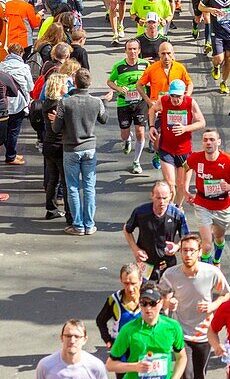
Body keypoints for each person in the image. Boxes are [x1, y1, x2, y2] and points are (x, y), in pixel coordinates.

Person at [159, 235, 230, 379]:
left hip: (204, 334)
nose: (188, 254)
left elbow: (225, 294)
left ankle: (200, 372)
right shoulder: (171, 274)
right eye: (184, 250)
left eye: (192, 250)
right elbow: (161, 295)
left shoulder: (211, 273)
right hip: (181, 334)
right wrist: (167, 302)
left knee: (199, 376)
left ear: (200, 252)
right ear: (179, 251)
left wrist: (212, 305)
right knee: (187, 377)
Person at [51, 67, 107, 236]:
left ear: (74, 82)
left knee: (73, 187)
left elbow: (56, 128)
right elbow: (103, 119)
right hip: (89, 148)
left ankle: (78, 225)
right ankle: (89, 224)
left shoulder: (65, 103)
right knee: (90, 186)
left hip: (71, 149)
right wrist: (106, 103)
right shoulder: (96, 102)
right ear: (89, 83)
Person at [184, 128, 230, 265]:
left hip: (222, 206)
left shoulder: (229, 161)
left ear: (218, 142)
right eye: (205, 140)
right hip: (202, 204)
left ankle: (217, 260)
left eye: (212, 140)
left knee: (219, 238)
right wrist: (185, 189)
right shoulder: (195, 158)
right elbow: (185, 168)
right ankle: (206, 271)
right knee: (206, 245)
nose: (208, 143)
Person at [149, 80, 206, 205]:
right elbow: (153, 110)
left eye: (178, 96)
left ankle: (178, 207)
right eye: (173, 96)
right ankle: (168, 209)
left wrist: (185, 128)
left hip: (184, 151)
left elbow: (202, 122)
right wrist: (152, 126)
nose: (175, 99)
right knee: (170, 184)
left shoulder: (190, 103)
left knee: (181, 186)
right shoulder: (164, 100)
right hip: (166, 149)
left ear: (184, 94)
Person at [123, 180, 189, 282]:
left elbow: (186, 237)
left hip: (167, 261)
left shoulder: (177, 215)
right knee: (143, 292)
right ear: (152, 196)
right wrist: (135, 249)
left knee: (166, 293)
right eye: (158, 198)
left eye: (164, 198)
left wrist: (177, 246)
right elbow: (127, 229)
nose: (161, 202)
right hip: (145, 261)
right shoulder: (141, 212)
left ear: (171, 196)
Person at [106, 36, 149, 175]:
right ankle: (127, 140)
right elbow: (110, 82)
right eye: (130, 49)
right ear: (125, 51)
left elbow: (152, 80)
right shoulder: (119, 66)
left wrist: (148, 87)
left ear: (139, 50)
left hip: (140, 102)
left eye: (135, 49)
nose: (132, 52)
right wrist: (118, 89)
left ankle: (136, 161)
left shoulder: (145, 65)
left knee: (140, 132)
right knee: (124, 133)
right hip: (124, 103)